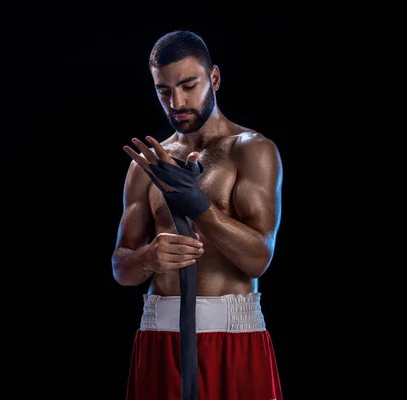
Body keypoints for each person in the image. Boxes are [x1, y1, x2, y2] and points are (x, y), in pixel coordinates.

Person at [112, 30, 284, 400]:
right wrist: (147, 257)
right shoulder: (147, 164)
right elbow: (121, 269)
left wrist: (199, 207)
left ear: (214, 78)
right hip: (160, 334)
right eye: (164, 90)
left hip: (233, 336)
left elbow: (258, 259)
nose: (177, 101)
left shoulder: (251, 150)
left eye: (189, 85)